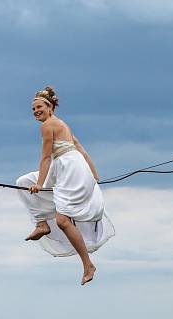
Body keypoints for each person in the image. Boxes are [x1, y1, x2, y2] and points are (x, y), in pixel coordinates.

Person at [16, 86, 114, 285]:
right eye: (33, 109)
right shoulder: (62, 124)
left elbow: (45, 158)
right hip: (64, 167)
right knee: (22, 183)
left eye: (39, 107)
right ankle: (41, 222)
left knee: (62, 220)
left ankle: (88, 264)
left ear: (50, 107)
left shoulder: (48, 125)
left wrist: (39, 184)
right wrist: (94, 174)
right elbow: (79, 147)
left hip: (69, 169)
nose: (36, 111)